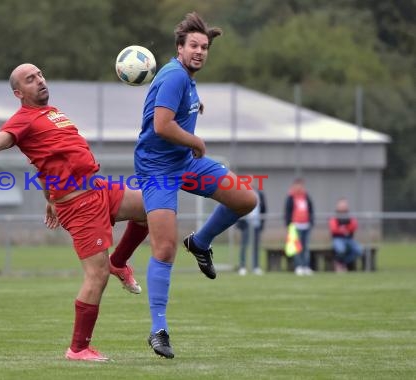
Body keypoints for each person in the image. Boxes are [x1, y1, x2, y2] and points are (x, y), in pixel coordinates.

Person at [0, 63, 149, 362]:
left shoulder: (53, 113)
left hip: (99, 189)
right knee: (96, 276)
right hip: (80, 205)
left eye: (40, 75)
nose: (40, 81)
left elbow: (46, 162)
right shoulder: (23, 120)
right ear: (19, 93)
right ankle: (78, 348)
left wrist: (51, 198)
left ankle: (119, 262)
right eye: (30, 80)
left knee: (152, 207)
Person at [134, 12, 257, 359]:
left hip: (184, 163)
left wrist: (194, 104)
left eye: (204, 47)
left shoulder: (185, 78)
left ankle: (200, 242)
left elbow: (177, 105)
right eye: (194, 46)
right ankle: (159, 329)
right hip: (158, 169)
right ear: (180, 48)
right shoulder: (175, 75)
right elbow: (161, 125)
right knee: (164, 249)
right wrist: (194, 139)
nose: (200, 51)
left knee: (246, 199)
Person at [284, 178, 315, 276]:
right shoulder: (291, 197)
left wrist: (311, 222)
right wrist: (289, 224)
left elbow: (311, 210)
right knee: (297, 247)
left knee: (306, 247)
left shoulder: (306, 196)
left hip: (305, 225)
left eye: (301, 185)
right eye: (297, 185)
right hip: (295, 225)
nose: (299, 187)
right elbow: (287, 211)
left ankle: (306, 266)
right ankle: (299, 266)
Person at [236, 186, 267, 276]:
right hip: (246, 224)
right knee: (244, 246)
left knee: (256, 246)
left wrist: (262, 223)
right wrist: (240, 223)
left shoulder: (259, 194)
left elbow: (264, 208)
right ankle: (242, 267)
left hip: (256, 224)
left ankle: (255, 267)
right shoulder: (242, 193)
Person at [328, 198, 363, 272]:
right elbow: (334, 229)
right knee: (341, 249)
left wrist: (343, 229)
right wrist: (344, 230)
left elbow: (354, 226)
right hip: (338, 238)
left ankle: (341, 263)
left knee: (359, 250)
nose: (343, 207)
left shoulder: (350, 217)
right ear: (337, 206)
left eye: (344, 205)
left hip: (349, 239)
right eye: (341, 205)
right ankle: (339, 264)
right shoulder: (335, 217)